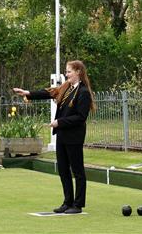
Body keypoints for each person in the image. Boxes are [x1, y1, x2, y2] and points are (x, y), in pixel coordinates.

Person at [13, 60, 95, 214]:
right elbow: (49, 92)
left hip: (74, 137)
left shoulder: (83, 92)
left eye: (69, 71)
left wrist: (59, 122)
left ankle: (78, 204)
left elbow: (80, 117)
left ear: (78, 72)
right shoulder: (66, 88)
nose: (66, 74)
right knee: (63, 170)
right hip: (62, 135)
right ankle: (67, 201)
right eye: (66, 71)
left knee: (77, 171)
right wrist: (28, 93)